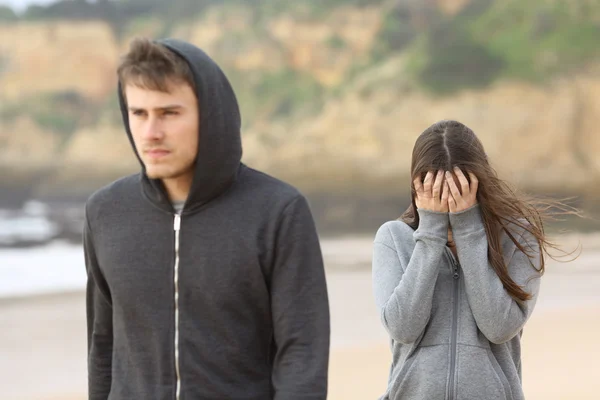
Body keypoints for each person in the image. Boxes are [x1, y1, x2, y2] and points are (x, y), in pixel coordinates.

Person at [84, 37, 330, 400]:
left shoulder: (278, 211)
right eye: (139, 113)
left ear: (210, 114)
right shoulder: (105, 212)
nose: (151, 133)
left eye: (169, 113)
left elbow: (302, 354)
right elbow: (103, 346)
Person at [372, 120, 577, 400]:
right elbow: (403, 328)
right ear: (417, 184)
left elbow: (499, 327)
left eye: (457, 188)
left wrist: (469, 229)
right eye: (434, 188)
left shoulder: (516, 237)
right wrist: (430, 233)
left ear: (477, 182)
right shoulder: (394, 238)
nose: (446, 198)